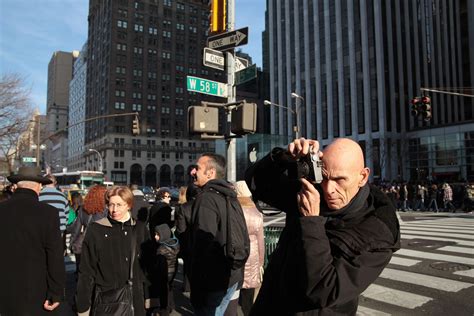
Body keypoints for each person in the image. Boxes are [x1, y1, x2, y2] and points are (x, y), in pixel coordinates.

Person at [245, 138, 400, 315]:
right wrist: (283, 158)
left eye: (340, 179)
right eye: (324, 177)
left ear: (363, 177)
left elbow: (324, 291)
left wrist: (311, 221)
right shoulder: (312, 191)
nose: (329, 189)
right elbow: (256, 184)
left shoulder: (377, 232)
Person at [0, 166, 66, 315]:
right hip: (36, 290)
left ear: (16, 186)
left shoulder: (2, 210)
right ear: (39, 186)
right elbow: (55, 256)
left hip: (4, 289)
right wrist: (56, 292)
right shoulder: (49, 213)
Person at [75, 186, 147, 316]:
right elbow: (86, 270)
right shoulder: (96, 229)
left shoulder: (139, 229)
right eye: (111, 204)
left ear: (129, 205)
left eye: (119, 204)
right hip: (106, 301)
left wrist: (149, 297)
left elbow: (147, 267)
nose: (114, 209)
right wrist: (83, 305)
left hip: (134, 301)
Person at [189, 153, 245, 315]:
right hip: (231, 275)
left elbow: (203, 244)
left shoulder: (206, 198)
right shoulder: (231, 197)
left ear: (210, 172)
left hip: (212, 281)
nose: (193, 171)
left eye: (197, 168)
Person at [233, 181, 264, 316]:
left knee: (232, 292)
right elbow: (261, 242)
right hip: (253, 254)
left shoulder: (233, 210)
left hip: (236, 252)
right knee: (249, 293)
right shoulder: (257, 213)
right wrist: (261, 263)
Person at [149, 224, 180, 316]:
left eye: (157, 234)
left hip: (164, 274)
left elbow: (157, 265)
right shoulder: (174, 245)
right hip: (172, 272)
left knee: (163, 293)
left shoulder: (161, 249)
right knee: (169, 289)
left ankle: (164, 310)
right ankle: (171, 305)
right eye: (155, 234)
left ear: (163, 235)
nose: (155, 236)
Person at [174, 185, 199, 294]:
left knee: (188, 265)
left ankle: (187, 286)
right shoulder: (205, 205)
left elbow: (180, 229)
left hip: (188, 241)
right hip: (203, 241)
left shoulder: (184, 207)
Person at [39, 174, 70, 253]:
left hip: (42, 232)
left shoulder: (38, 195)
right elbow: (66, 216)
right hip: (58, 232)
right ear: (55, 183)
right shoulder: (62, 196)